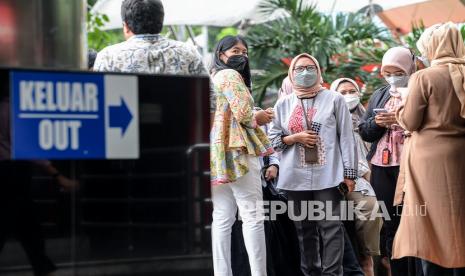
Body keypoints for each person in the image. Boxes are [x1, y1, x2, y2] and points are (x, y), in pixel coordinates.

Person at [269, 53, 358, 275]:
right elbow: (272, 141)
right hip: (295, 177)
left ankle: (332, 273)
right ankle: (310, 272)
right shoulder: (283, 103)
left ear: (319, 71)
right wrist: (294, 138)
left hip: (329, 175)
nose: (305, 72)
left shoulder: (334, 99)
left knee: (331, 228)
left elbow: (347, 138)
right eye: (299, 68)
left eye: (309, 67)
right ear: (291, 73)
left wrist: (350, 174)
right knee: (304, 229)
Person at [392, 22, 465, 276]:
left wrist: (400, 105)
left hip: (428, 162)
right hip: (460, 155)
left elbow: (411, 121)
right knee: (459, 221)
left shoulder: (424, 77)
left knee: (429, 224)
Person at [210, 35, 274, 276]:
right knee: (253, 216)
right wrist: (261, 117)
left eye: (245, 52)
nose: (242, 56)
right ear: (221, 54)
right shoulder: (230, 75)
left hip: (218, 153)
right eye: (236, 50)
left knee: (222, 218)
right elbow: (246, 115)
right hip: (239, 151)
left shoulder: (214, 77)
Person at [359, 46, 416, 276]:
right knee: (390, 223)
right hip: (383, 168)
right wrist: (379, 123)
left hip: (410, 166)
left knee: (413, 220)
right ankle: (398, 270)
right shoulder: (380, 94)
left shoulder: (419, 90)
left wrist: (400, 120)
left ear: (410, 68)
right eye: (387, 72)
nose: (393, 77)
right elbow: (364, 130)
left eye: (398, 71)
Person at [331, 78, 383, 276]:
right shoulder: (330, 118)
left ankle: (368, 259)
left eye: (352, 91)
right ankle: (357, 261)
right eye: (342, 92)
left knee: (371, 207)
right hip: (337, 176)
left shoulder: (367, 121)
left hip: (365, 176)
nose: (348, 95)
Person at [93, 0, 205, 75]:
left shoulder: (108, 57)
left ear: (126, 26)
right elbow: (211, 102)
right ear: (161, 21)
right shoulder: (189, 52)